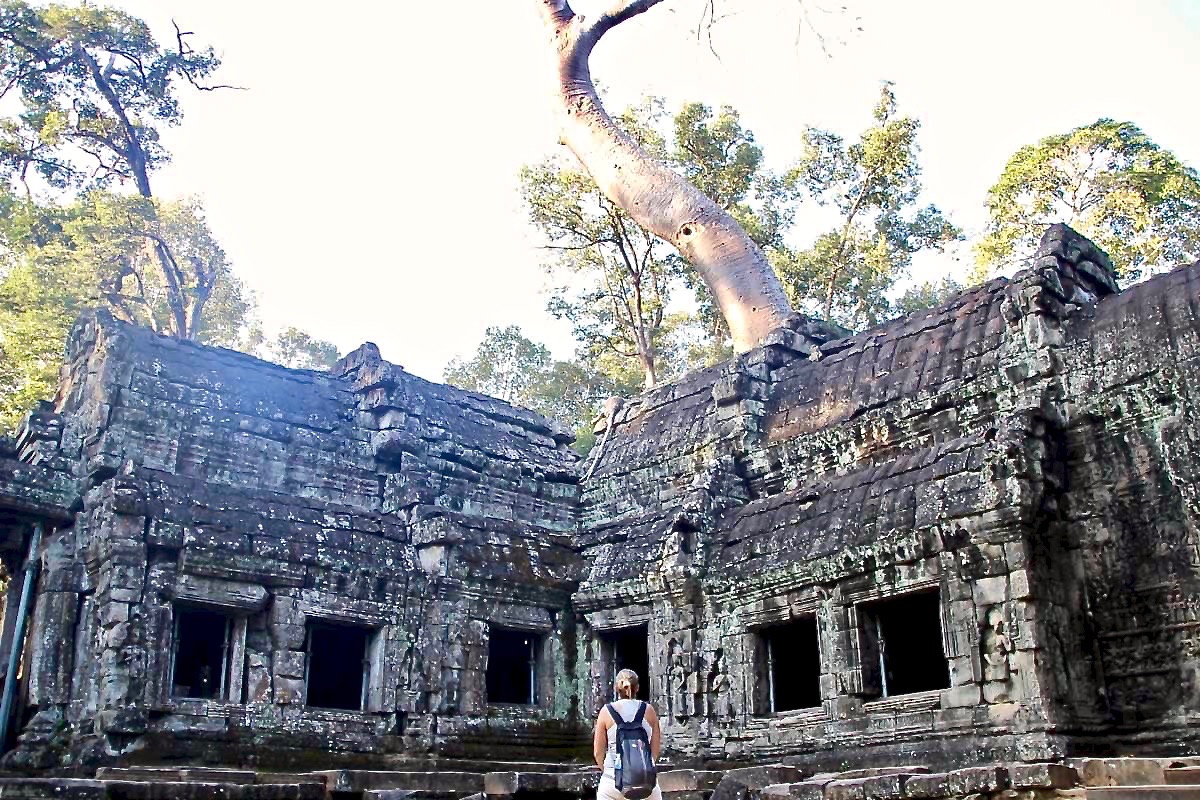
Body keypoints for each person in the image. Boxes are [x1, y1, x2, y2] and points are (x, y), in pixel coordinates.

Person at [593, 669, 662, 800]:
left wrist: (610, 772)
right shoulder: (649, 710)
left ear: (616, 688)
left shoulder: (606, 712)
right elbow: (655, 750)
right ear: (638, 688)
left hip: (612, 783)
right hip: (645, 784)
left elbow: (598, 752)